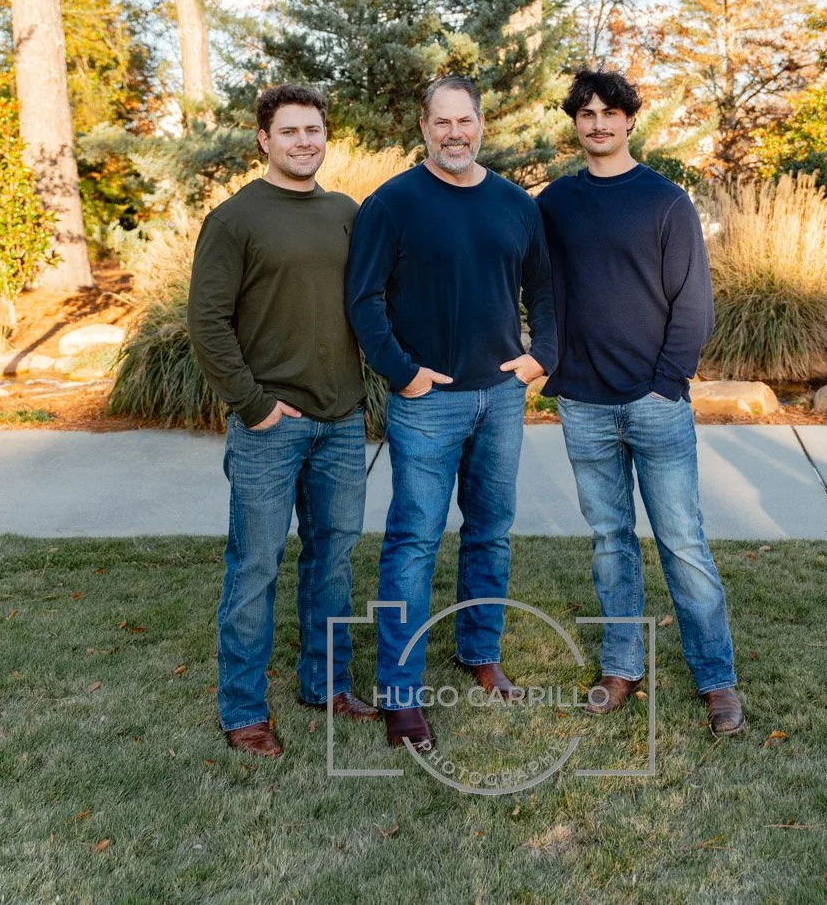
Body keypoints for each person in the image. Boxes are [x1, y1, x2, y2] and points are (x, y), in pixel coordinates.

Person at [346, 76, 557, 751]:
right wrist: (402, 373)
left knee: (491, 530)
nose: (454, 133)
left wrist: (539, 357)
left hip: (500, 398)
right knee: (414, 542)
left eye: (464, 121)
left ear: (482, 124)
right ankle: (400, 695)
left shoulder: (515, 204)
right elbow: (363, 300)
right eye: (442, 123)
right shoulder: (393, 203)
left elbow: (546, 290)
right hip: (427, 403)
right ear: (424, 128)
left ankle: (480, 652)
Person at [536, 67, 745, 736]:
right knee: (609, 543)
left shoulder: (665, 201)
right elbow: (532, 285)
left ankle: (717, 681)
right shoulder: (554, 204)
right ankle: (621, 668)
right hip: (584, 403)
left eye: (609, 113)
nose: (597, 123)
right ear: (576, 123)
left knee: (683, 544)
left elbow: (693, 304)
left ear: (629, 119)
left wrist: (667, 382)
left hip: (655, 403)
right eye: (586, 114)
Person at [188, 84, 378, 758]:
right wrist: (254, 404)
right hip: (271, 426)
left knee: (331, 564)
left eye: (315, 130)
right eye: (291, 131)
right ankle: (243, 711)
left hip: (340, 421)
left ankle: (325, 684)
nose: (305, 141)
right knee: (256, 569)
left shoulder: (346, 213)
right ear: (264, 139)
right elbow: (206, 322)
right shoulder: (236, 219)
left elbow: (373, 301)